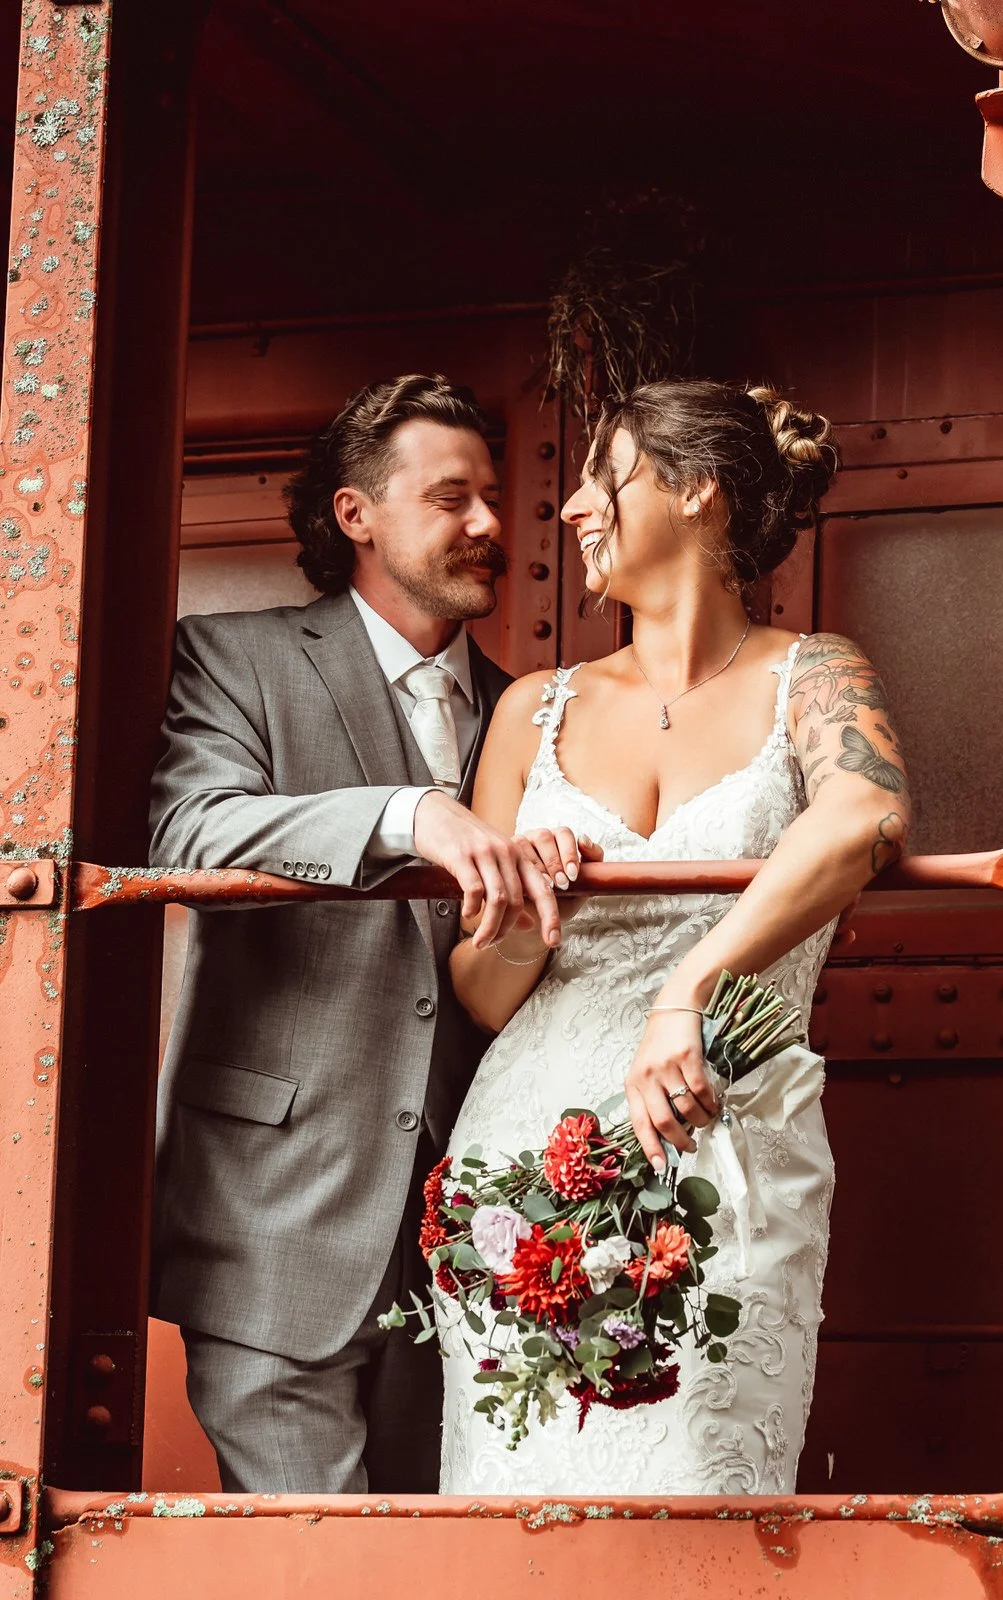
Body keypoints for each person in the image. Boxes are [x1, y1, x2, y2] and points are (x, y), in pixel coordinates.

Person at [436, 378, 912, 1493]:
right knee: (516, 1506)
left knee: (703, 1486)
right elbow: (483, 994)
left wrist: (686, 991)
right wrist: (525, 912)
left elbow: (866, 814)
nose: (571, 508)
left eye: (606, 474)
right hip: (521, 1169)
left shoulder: (816, 674)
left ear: (696, 491)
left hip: (727, 1154)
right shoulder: (532, 710)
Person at [149, 374, 563, 1494]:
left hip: (472, 1238)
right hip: (277, 1216)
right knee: (313, 1565)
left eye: (493, 495)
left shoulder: (528, 711)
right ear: (356, 515)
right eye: (451, 498)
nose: (488, 523)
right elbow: (191, 826)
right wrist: (403, 810)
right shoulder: (233, 657)